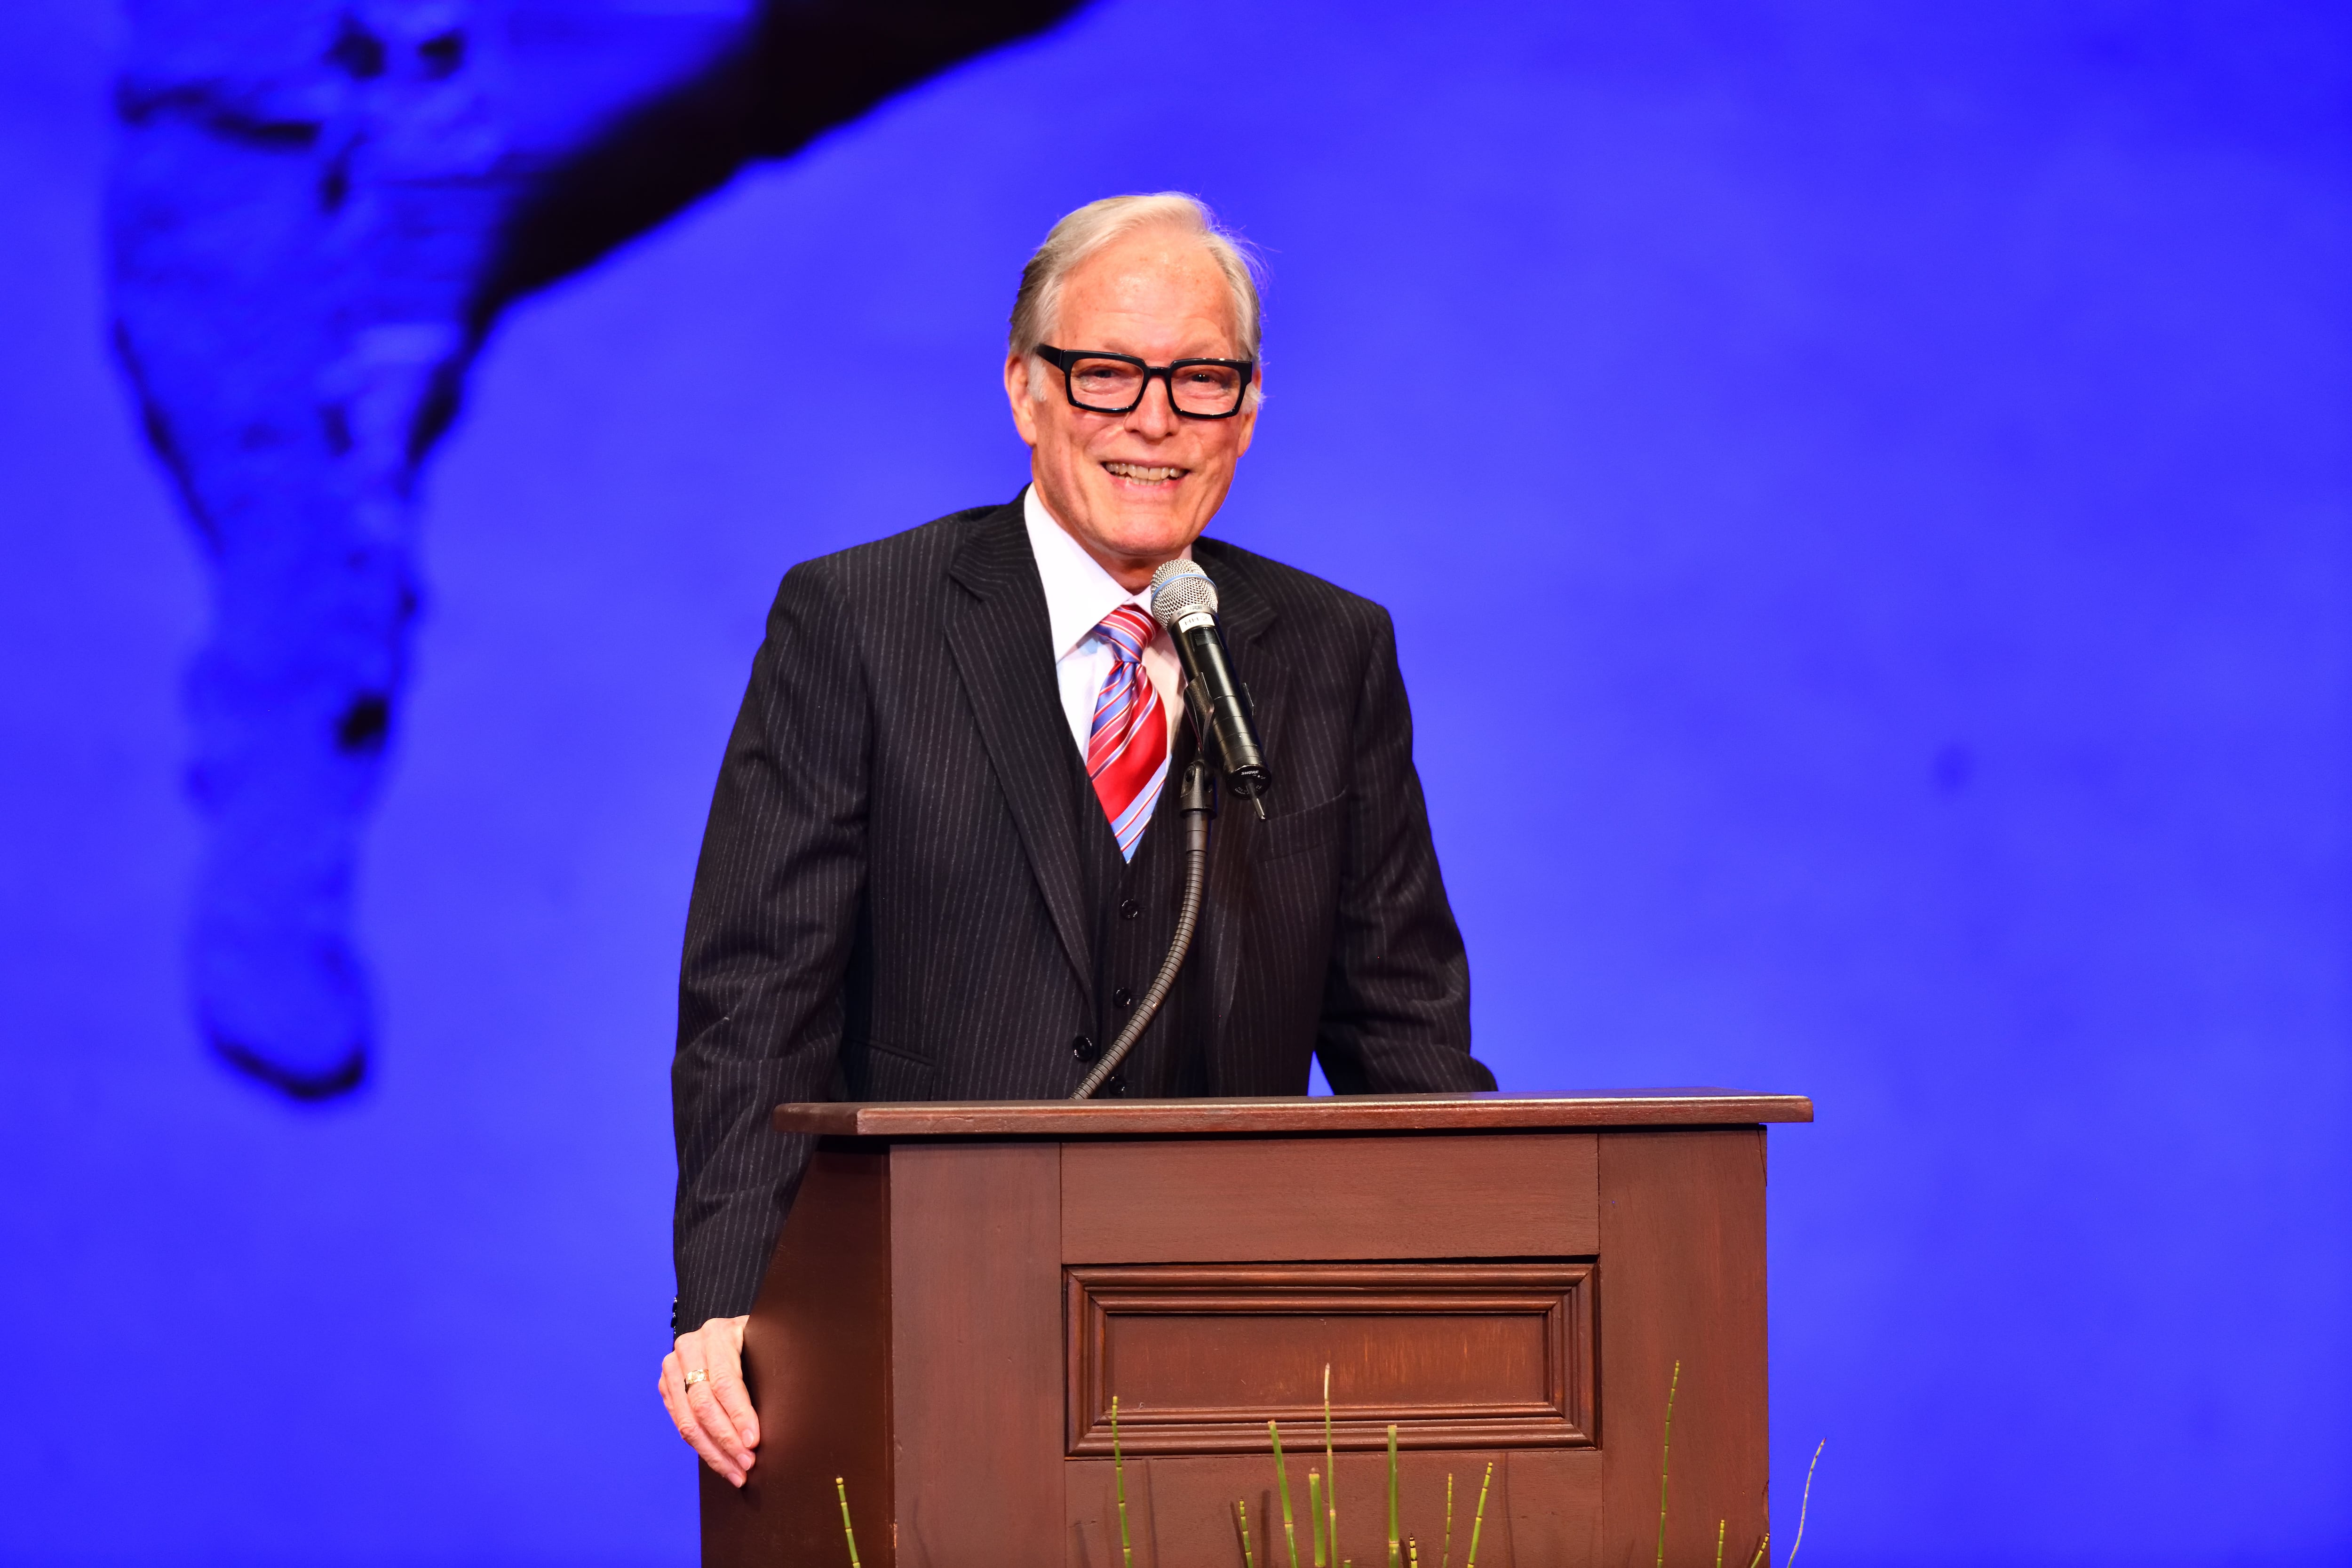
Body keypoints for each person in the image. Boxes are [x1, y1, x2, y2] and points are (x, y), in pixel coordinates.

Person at [656, 194, 1495, 1486]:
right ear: (1024, 390)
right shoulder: (860, 623)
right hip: (924, 1335)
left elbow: (1404, 1036)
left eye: (1203, 379)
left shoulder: (1332, 654)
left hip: (1230, 1370)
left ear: (1250, 411)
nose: (1155, 419)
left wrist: (1487, 1288)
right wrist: (726, 1299)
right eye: (1108, 373)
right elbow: (758, 996)